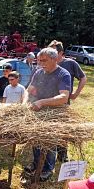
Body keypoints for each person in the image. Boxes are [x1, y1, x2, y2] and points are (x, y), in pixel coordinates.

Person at [25, 47, 71, 181]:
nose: (40, 63)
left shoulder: (63, 74)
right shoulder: (39, 72)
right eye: (39, 61)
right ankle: (36, 163)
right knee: (36, 138)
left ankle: (47, 169)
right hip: (39, 110)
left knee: (49, 141)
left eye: (44, 60)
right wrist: (25, 102)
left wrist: (42, 102)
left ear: (54, 59)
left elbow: (64, 97)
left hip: (55, 111)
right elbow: (29, 90)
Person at [48, 40, 87, 162]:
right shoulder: (48, 64)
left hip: (63, 103)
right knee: (49, 129)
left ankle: (62, 154)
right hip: (47, 102)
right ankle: (49, 157)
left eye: (53, 52)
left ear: (61, 53)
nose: (50, 55)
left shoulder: (70, 63)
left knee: (63, 129)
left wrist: (75, 94)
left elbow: (83, 78)